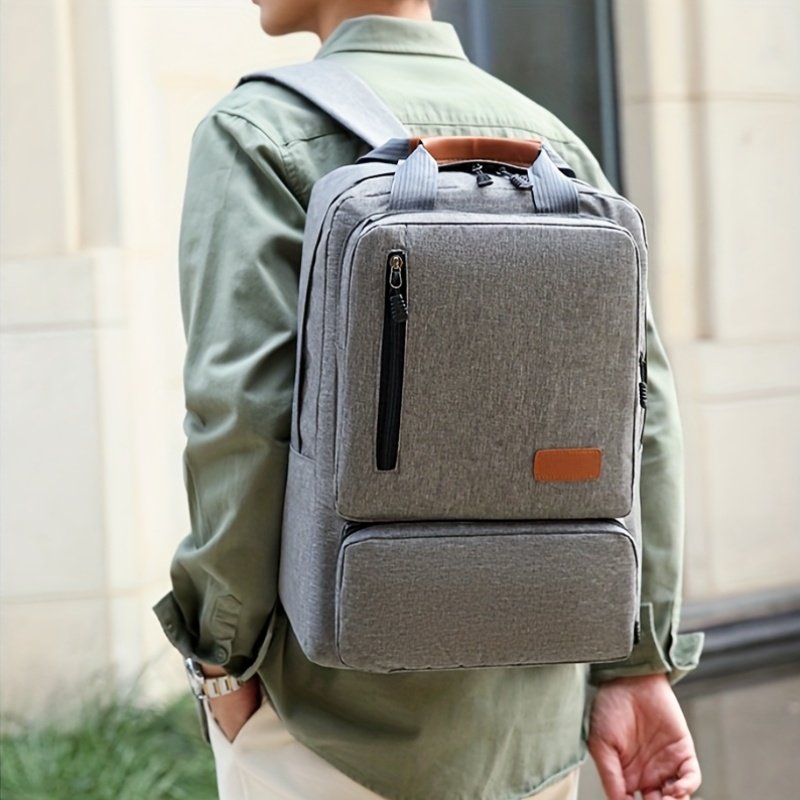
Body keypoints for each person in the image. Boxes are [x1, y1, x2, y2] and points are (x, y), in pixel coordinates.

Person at [154, 1, 705, 798]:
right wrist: (636, 668)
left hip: (329, 730)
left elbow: (241, 417)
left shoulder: (258, 133)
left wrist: (221, 662)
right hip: (533, 727)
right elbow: (645, 419)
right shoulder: (554, 146)